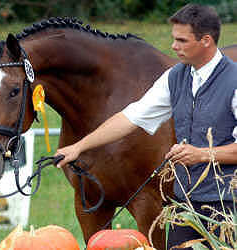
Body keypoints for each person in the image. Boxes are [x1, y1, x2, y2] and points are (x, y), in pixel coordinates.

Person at [55, 4, 237, 249]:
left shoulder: (234, 80)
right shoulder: (174, 77)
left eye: (181, 40)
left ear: (206, 40)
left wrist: (202, 154)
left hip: (228, 207)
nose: (173, 47)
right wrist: (79, 146)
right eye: (174, 39)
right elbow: (131, 117)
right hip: (185, 206)